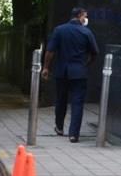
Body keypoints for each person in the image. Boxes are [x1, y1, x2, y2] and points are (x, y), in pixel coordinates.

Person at [41, 7, 98, 143]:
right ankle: (73, 134)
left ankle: (59, 127)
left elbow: (50, 51)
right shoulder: (86, 32)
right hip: (79, 72)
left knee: (61, 100)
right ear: (79, 16)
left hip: (62, 71)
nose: (86, 19)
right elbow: (95, 52)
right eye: (85, 16)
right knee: (77, 103)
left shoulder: (59, 30)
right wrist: (86, 65)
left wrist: (46, 67)